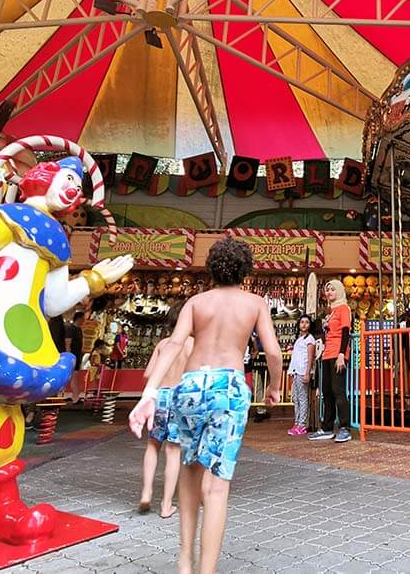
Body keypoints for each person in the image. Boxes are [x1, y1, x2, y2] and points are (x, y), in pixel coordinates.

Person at [129, 237, 282, 574]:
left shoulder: (196, 303)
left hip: (190, 385)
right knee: (216, 484)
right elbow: (272, 351)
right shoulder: (255, 303)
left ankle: (184, 561)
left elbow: (172, 345)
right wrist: (273, 387)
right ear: (246, 269)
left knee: (189, 468)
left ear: (212, 269)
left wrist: (149, 393)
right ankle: (206, 570)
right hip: (227, 388)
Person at [138, 304, 193, 518]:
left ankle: (146, 492)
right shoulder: (192, 344)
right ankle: (166, 504)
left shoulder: (163, 344)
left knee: (152, 445)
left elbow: (148, 374)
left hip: (159, 396)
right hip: (179, 398)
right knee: (173, 451)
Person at [308, 280, 352, 443]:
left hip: (337, 354)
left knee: (338, 391)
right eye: (327, 290)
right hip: (327, 354)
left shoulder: (343, 309)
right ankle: (326, 428)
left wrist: (342, 354)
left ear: (339, 291)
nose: (329, 292)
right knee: (326, 392)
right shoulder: (330, 312)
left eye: (333, 289)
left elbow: (346, 331)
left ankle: (344, 427)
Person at [286, 314, 317, 436]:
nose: (304, 324)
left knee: (303, 398)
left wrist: (307, 372)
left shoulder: (310, 340)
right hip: (296, 372)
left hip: (303, 372)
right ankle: (297, 422)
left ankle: (302, 424)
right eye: (302, 322)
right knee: (296, 398)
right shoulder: (299, 340)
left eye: (307, 322)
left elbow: (310, 358)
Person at [67, 310, 85, 403]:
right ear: (79, 319)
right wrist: (69, 356)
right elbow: (68, 343)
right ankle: (75, 397)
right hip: (72, 355)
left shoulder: (79, 329)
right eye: (83, 318)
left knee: (76, 375)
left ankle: (76, 395)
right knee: (73, 376)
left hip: (78, 355)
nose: (84, 320)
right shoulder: (71, 329)